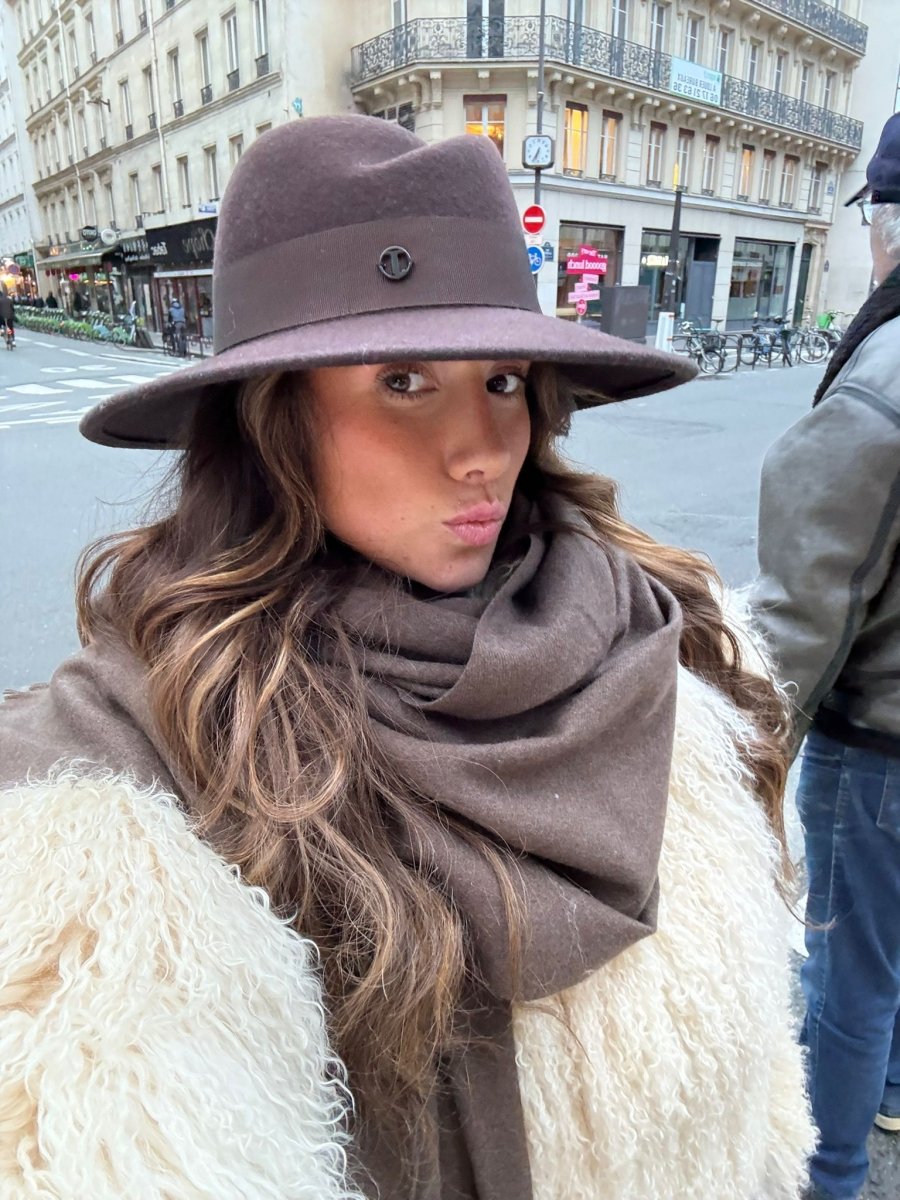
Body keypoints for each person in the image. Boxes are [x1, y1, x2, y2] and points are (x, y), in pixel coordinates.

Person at [0, 116, 815, 1198]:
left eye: (504, 379)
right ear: (272, 419)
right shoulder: (135, 769)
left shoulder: (662, 634)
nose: (483, 451)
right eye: (402, 381)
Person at [751, 112, 900, 1200]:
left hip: (879, 744)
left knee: (849, 976)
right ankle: (888, 1091)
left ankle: (826, 1176)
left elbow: (807, 606)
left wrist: (751, 758)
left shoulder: (881, 381)